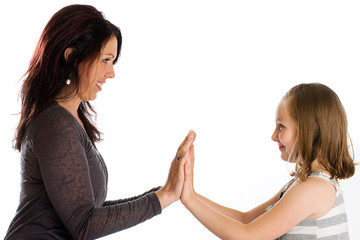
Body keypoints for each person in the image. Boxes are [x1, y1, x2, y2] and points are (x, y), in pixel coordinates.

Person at [5, 4, 196, 240]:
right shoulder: (56, 125)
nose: (111, 73)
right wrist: (164, 195)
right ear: (72, 57)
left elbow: (88, 212)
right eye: (105, 60)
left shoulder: (69, 120)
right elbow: (85, 225)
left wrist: (164, 191)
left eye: (112, 61)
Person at [180, 83, 356, 239]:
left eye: (281, 126)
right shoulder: (302, 183)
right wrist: (191, 194)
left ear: (307, 130)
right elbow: (246, 220)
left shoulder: (314, 189)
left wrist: (189, 200)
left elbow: (246, 236)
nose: (273, 136)